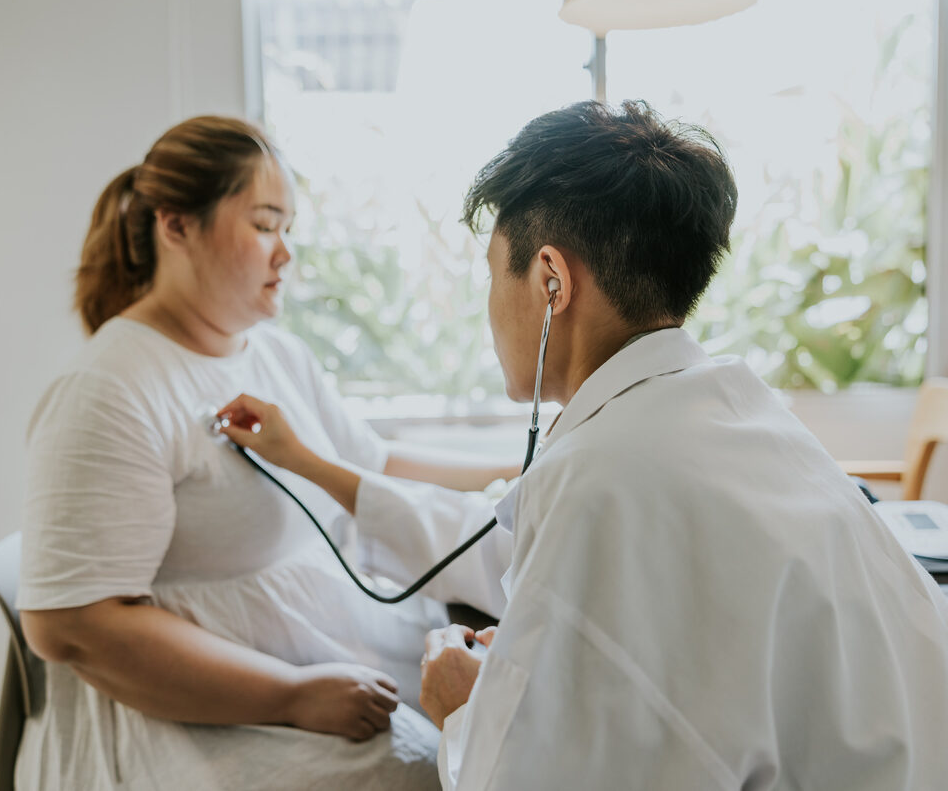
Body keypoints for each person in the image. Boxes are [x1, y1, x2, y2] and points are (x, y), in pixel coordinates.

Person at [227, 101, 948, 790]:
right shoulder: (738, 417)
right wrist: (315, 466)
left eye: (490, 274)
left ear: (550, 281)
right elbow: (494, 548)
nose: (488, 308)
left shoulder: (607, 478)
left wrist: (464, 713)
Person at [15, 116, 510, 791]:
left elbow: (372, 461)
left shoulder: (274, 352)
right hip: (196, 713)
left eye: (289, 229)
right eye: (265, 224)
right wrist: (291, 694)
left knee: (495, 737)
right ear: (176, 227)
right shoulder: (109, 391)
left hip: (330, 659)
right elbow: (69, 626)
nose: (286, 254)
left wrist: (515, 473)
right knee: (425, 774)